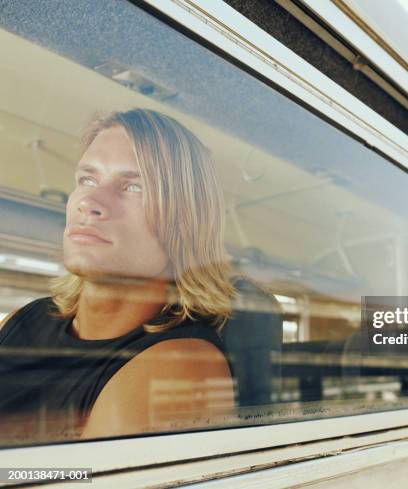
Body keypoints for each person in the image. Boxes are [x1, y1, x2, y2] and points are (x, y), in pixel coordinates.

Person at [0, 109, 237, 442]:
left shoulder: (179, 364)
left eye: (134, 187)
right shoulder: (20, 320)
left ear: (183, 223)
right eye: (87, 179)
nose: (90, 201)